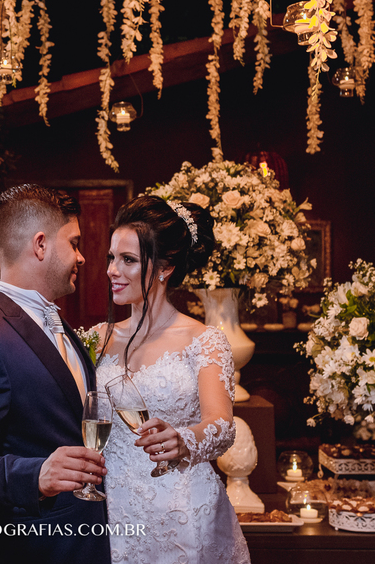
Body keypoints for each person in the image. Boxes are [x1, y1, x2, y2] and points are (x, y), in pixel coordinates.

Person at [0, 184, 110, 564]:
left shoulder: (61, 325)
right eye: (75, 243)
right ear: (41, 245)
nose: (81, 257)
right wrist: (36, 475)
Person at [95, 195, 250, 564]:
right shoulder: (96, 338)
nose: (112, 271)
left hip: (181, 512)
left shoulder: (204, 340)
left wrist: (184, 439)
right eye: (111, 258)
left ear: (164, 268)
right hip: (110, 511)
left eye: (128, 260)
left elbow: (222, 425)